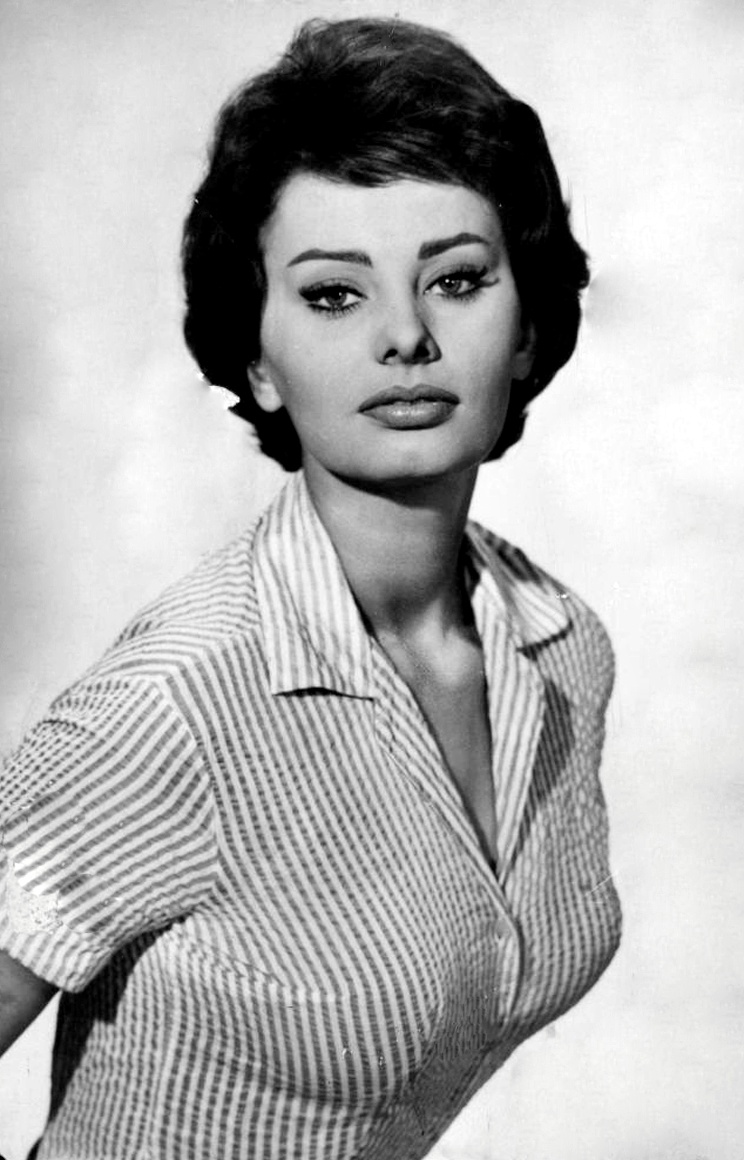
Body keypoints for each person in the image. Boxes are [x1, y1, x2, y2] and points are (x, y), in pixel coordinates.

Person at [0, 16, 622, 1160]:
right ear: (257, 359)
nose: (406, 335)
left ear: (528, 329)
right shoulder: (174, 704)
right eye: (335, 294)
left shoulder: (559, 648)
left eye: (458, 280)